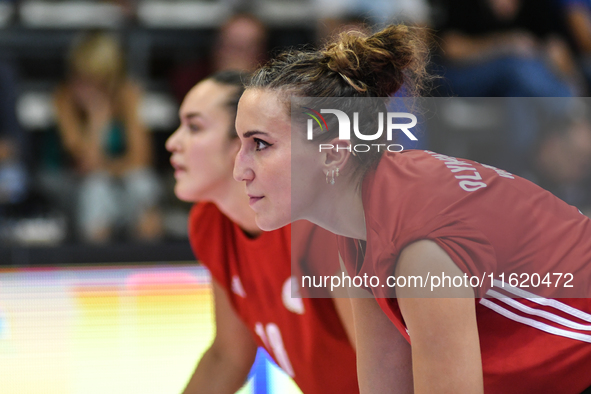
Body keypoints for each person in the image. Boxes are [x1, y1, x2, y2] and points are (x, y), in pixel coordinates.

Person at [232, 24, 591, 393]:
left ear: (334, 153)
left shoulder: (421, 244)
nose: (239, 169)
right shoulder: (361, 220)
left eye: (260, 144)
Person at [165, 70, 359, 393]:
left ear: (243, 140)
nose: (173, 142)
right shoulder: (210, 223)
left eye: (194, 127)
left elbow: (388, 363)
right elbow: (228, 356)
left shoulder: (319, 221)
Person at [54, 31, 162, 242]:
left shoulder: (128, 95)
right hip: (74, 186)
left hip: (122, 180)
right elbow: (85, 165)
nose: (83, 86)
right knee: (97, 187)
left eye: (92, 80)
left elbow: (141, 160)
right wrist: (97, 117)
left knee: (141, 183)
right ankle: (96, 260)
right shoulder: (64, 98)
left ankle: (149, 258)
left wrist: (110, 168)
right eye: (78, 77)